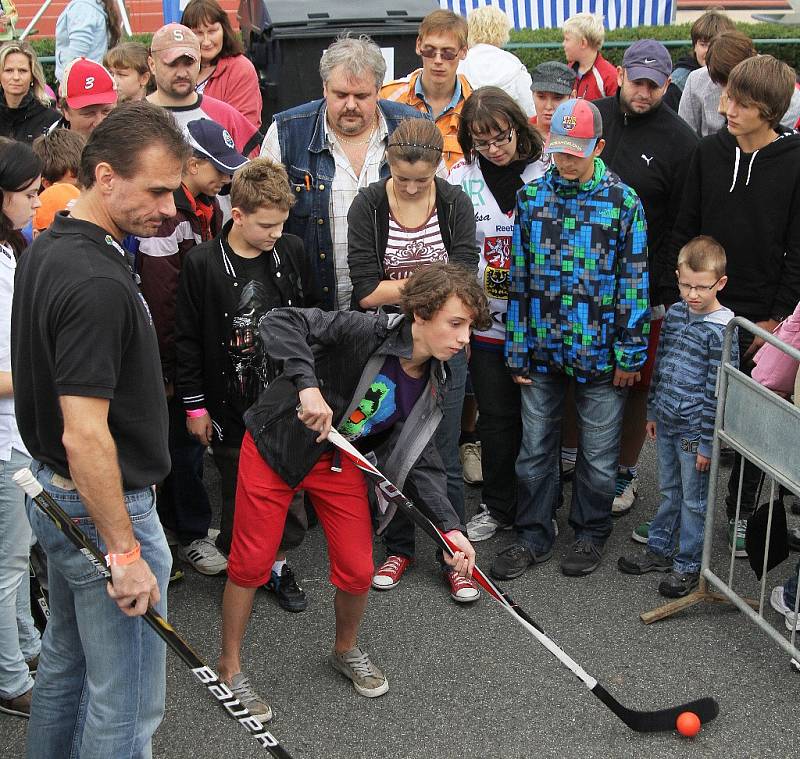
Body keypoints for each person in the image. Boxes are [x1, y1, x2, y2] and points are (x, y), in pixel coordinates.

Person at [216, 263, 485, 719]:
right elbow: (280, 320)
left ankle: (344, 651)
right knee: (253, 561)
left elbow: (425, 460)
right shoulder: (366, 329)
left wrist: (451, 530)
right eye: (455, 324)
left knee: (359, 569)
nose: (463, 338)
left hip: (339, 461)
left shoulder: (438, 377)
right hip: (277, 447)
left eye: (469, 328)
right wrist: (307, 387)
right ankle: (229, 666)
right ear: (420, 314)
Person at [10, 101, 190, 757]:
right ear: (106, 177)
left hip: (55, 495)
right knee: (127, 705)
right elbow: (85, 433)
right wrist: (125, 552)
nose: (171, 207)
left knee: (66, 658)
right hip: (99, 507)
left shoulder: (49, 244)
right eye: (158, 190)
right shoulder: (93, 280)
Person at [497, 98, 649, 580]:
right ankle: (533, 536)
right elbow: (516, 277)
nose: (563, 162)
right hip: (540, 348)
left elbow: (635, 281)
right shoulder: (530, 198)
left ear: (598, 147)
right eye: (557, 151)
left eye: (574, 153)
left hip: (602, 353)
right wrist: (516, 347)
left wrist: (631, 352)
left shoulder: (624, 202)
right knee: (534, 450)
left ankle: (590, 533)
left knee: (600, 457)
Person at [667, 54, 800, 558]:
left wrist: (776, 318)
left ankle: (740, 514)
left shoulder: (794, 159)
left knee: (751, 424)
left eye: (742, 103)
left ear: (768, 110)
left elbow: (797, 247)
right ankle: (677, 515)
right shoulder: (707, 152)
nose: (727, 108)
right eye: (728, 97)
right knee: (690, 408)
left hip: (761, 316)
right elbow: (687, 224)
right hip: (700, 303)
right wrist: (679, 294)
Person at [175, 157, 322, 611]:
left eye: (281, 224)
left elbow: (316, 318)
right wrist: (195, 407)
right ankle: (246, 568)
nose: (275, 234)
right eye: (265, 225)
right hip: (230, 405)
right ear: (236, 214)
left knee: (291, 489)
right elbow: (187, 340)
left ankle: (275, 565)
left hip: (286, 401)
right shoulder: (201, 263)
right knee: (238, 487)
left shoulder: (292, 250)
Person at [346, 118, 479, 598]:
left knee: (442, 449)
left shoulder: (454, 202)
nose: (410, 187)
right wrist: (431, 288)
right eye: (401, 178)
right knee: (393, 448)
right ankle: (399, 546)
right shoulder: (368, 204)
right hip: (391, 344)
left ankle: (453, 552)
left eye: (421, 180)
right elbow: (364, 292)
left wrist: (408, 291)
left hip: (444, 341)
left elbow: (462, 282)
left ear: (439, 169)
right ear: (389, 163)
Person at [594, 40, 699, 517]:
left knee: (634, 381)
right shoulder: (592, 115)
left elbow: (681, 223)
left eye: (655, 85)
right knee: (583, 374)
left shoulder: (681, 141)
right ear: (621, 72)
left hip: (642, 287)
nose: (644, 92)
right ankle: (578, 461)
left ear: (667, 84)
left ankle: (624, 470)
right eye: (637, 81)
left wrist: (657, 284)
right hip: (580, 280)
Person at [137, 118, 245, 578]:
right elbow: (165, 302)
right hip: (175, 357)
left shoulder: (208, 207)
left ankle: (182, 531)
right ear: (192, 163)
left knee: (187, 447)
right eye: (218, 169)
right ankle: (188, 536)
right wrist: (170, 367)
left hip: (197, 351)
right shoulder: (169, 217)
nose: (225, 179)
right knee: (180, 449)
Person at [260, 34, 424, 312]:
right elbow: (258, 213)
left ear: (379, 89)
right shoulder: (288, 133)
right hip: (311, 315)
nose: (350, 105)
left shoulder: (413, 128)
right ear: (324, 87)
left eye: (361, 96)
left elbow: (445, 214)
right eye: (340, 95)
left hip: (396, 317)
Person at [446, 88, 546, 544]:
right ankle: (497, 503)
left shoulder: (545, 171)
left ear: (518, 127)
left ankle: (540, 507)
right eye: (481, 141)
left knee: (541, 419)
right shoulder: (461, 177)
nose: (494, 148)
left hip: (541, 323)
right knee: (496, 418)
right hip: (487, 322)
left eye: (500, 136)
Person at [619, 236, 737, 597]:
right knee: (670, 491)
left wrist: (706, 442)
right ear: (678, 277)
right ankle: (659, 548)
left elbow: (718, 391)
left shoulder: (722, 329)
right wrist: (652, 409)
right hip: (667, 419)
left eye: (701, 287)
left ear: (720, 283)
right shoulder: (674, 314)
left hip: (693, 430)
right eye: (686, 285)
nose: (692, 294)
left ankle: (688, 564)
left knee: (694, 499)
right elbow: (661, 363)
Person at [0, 138, 42, 720]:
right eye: (30, 193)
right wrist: (42, 372)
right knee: (7, 565)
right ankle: (10, 678)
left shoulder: (10, 251)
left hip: (20, 434)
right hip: (6, 438)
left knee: (20, 555)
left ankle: (28, 647)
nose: (37, 203)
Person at [146, 23, 263, 157]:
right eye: (172, 64)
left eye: (189, 63)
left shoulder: (226, 115)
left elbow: (252, 170)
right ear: (152, 65)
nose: (182, 73)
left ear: (199, 61)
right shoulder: (131, 119)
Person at [380, 9, 473, 169]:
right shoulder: (388, 97)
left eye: (448, 53)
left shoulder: (475, 108)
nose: (438, 60)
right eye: (429, 51)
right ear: (418, 46)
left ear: (463, 51)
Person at [679, 30, 800, 138]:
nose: (729, 89)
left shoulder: (788, 94)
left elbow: (767, 144)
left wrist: (729, 118)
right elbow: (685, 139)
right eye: (723, 82)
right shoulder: (697, 80)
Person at [181, 0, 262, 128]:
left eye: (212, 31)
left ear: (224, 30)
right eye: (198, 33)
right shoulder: (177, 68)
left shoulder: (241, 68)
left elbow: (244, 127)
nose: (207, 42)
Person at [457, 5, 534, 118]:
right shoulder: (513, 63)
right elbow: (530, 108)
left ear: (470, 29)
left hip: (465, 127)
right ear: (503, 30)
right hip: (505, 128)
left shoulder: (460, 62)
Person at [662, 9, 735, 112]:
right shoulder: (679, 83)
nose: (709, 51)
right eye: (703, 44)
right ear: (694, 46)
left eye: (715, 45)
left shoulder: (738, 74)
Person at [0, 41, 60, 143]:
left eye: (22, 71)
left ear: (32, 75)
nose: (16, 77)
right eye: (9, 70)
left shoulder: (51, 119)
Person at [55, 0, 123, 82]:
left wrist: (66, 82)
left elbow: (78, 49)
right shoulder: (92, 5)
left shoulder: (82, 7)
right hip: (91, 79)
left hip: (82, 82)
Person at [50, 57, 118, 137]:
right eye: (89, 113)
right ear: (66, 112)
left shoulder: (132, 139)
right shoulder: (48, 147)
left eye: (106, 111)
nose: (99, 122)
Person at [562, 12, 617, 101]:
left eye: (567, 39)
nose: (563, 44)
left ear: (583, 43)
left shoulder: (609, 77)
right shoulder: (567, 71)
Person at [529, 60, 577, 140]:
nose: (548, 106)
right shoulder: (520, 132)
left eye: (557, 98)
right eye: (541, 97)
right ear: (533, 95)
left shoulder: (583, 134)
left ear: (572, 97)